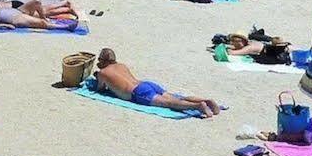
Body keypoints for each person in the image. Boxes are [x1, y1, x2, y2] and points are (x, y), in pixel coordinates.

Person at [92, 48, 220, 116]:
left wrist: (98, 77)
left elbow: (100, 89)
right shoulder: (122, 65)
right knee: (176, 98)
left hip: (138, 93)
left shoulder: (103, 72)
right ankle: (206, 100)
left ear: (102, 60)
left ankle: (198, 106)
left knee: (170, 103)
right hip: (146, 84)